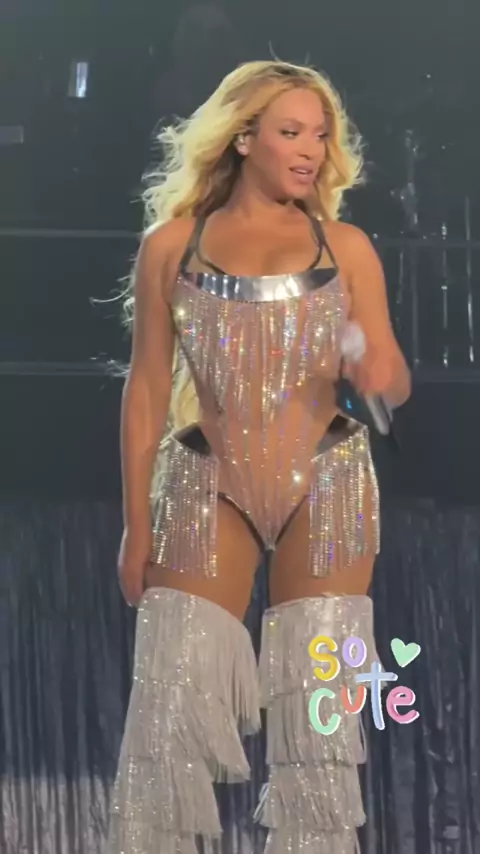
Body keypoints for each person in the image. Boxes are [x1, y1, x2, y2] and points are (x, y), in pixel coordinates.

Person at [107, 60, 411, 854]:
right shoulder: (171, 247)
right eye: (291, 132)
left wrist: (376, 370)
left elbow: (391, 376)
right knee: (167, 720)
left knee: (320, 727)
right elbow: (146, 392)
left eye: (320, 135)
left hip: (330, 487)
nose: (311, 150)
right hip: (208, 481)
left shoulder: (347, 247)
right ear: (243, 139)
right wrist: (136, 527)